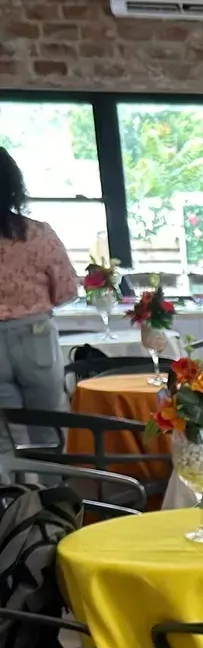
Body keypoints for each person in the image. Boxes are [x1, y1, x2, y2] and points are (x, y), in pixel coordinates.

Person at [0, 148, 78, 454]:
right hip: (34, 337)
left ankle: (13, 499)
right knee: (49, 426)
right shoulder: (38, 234)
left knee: (3, 435)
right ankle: (52, 497)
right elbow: (66, 292)